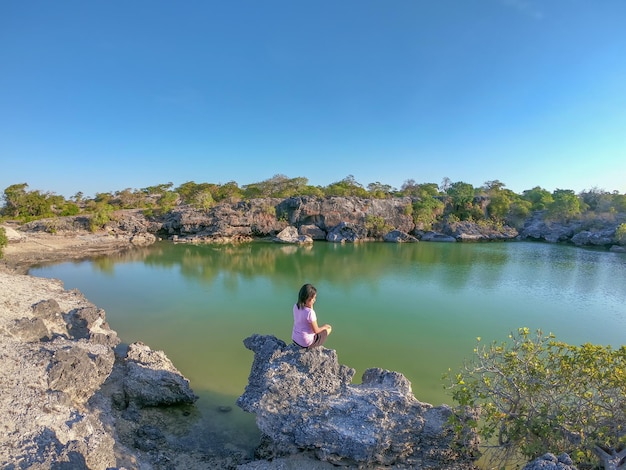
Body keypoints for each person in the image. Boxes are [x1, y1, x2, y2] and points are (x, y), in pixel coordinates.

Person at [292, 283, 332, 348]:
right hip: (305, 343)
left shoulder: (296, 306)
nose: (314, 300)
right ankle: (316, 347)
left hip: (295, 339)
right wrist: (324, 327)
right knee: (329, 328)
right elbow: (316, 331)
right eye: (313, 298)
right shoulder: (310, 313)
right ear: (306, 299)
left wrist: (311, 305)